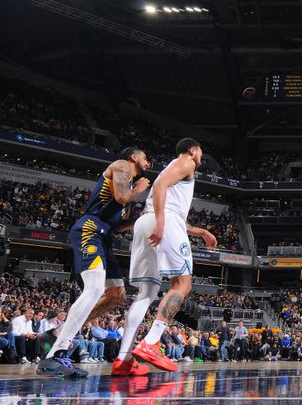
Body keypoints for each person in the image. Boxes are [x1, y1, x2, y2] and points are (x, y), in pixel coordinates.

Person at [37, 147, 151, 378]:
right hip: (90, 230)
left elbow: (116, 224)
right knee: (95, 288)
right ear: (134, 157)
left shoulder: (127, 180)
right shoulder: (121, 166)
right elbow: (121, 197)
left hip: (105, 236)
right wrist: (138, 190)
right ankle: (55, 356)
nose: (148, 162)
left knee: (116, 296)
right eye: (145, 158)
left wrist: (138, 221)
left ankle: (56, 333)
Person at [120, 138, 217, 374]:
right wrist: (162, 222)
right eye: (201, 153)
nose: (201, 158)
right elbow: (160, 185)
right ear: (193, 150)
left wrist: (200, 231)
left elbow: (167, 202)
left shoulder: (175, 169)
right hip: (162, 220)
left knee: (146, 293)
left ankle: (122, 360)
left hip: (145, 222)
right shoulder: (187, 161)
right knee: (182, 284)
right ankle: (151, 343)